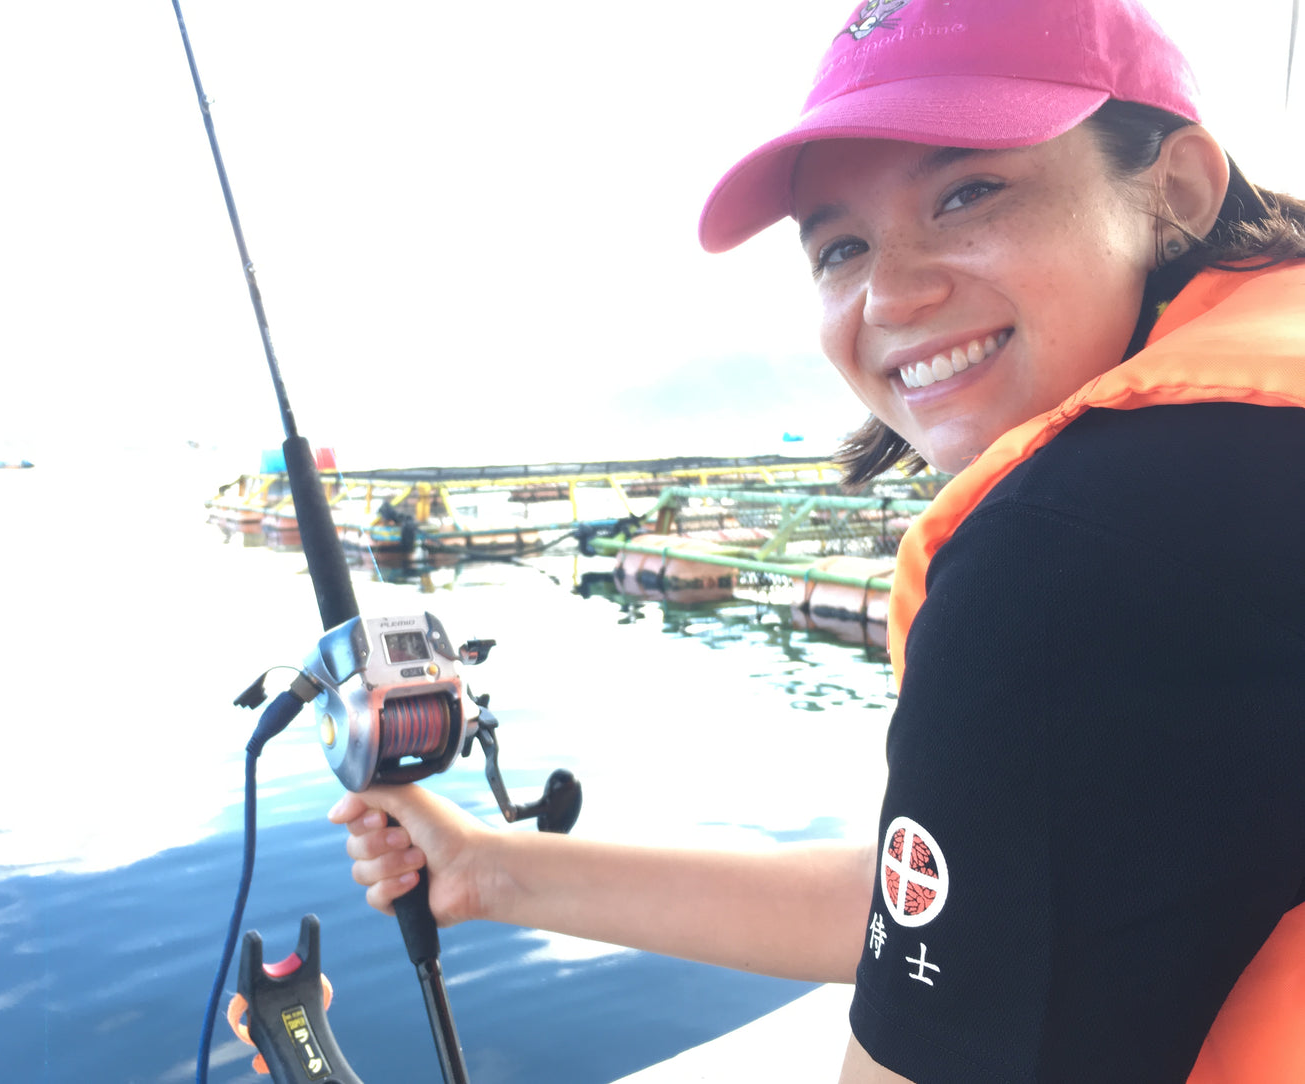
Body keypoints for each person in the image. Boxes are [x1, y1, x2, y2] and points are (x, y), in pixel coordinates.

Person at [331, 2, 1305, 1080]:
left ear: (1173, 189)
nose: (891, 292)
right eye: (840, 247)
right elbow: (955, 904)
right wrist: (488, 871)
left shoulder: (1067, 549)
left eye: (967, 191)